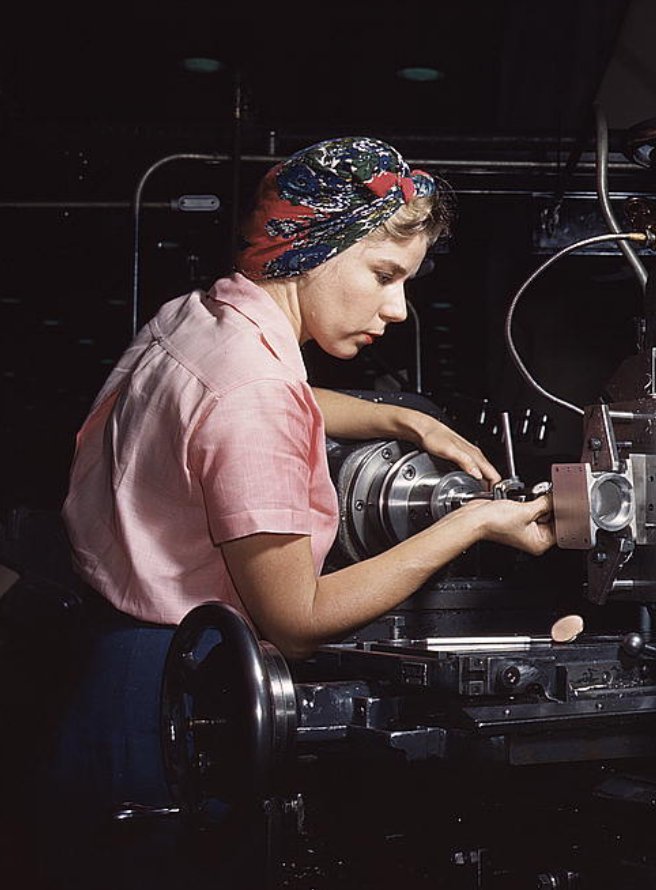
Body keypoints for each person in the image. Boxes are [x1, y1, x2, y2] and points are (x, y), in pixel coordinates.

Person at [41, 135, 556, 889]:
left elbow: (232, 402)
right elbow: (299, 618)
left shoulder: (202, 319)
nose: (397, 308)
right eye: (383, 274)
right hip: (179, 694)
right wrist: (470, 524)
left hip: (112, 670)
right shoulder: (254, 393)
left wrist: (398, 420)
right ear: (315, 248)